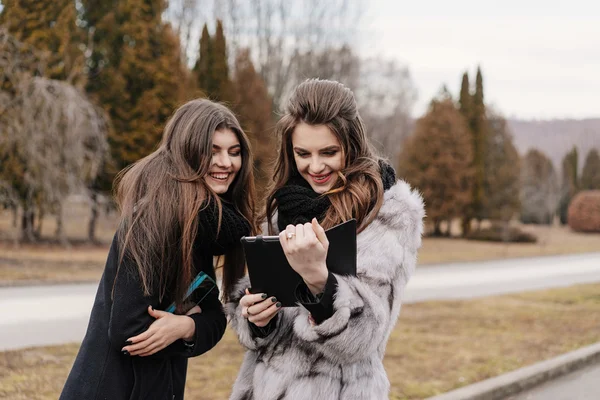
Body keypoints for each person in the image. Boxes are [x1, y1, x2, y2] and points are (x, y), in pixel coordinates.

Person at [226, 79, 425, 400]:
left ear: (352, 145)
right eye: (303, 153)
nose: (315, 166)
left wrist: (317, 277)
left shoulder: (387, 211)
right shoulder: (281, 208)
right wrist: (255, 317)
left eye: (329, 152)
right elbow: (254, 315)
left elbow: (363, 338)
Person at [60, 99, 256, 400]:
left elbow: (215, 318)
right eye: (213, 151)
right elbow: (128, 329)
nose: (226, 163)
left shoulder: (201, 226)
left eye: (234, 152)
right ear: (187, 151)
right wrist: (185, 323)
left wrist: (185, 326)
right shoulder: (153, 219)